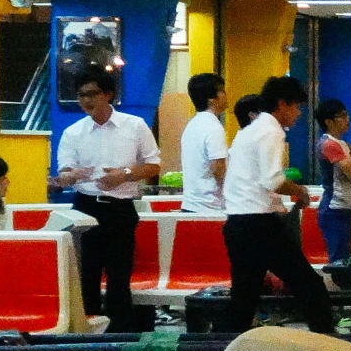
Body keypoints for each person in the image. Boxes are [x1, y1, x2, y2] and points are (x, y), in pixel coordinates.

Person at [220, 75, 333, 334]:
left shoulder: (248, 131)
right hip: (259, 225)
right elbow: (273, 180)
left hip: (237, 223)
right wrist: (300, 191)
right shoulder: (271, 132)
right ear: (282, 104)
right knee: (309, 285)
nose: (298, 114)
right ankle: (327, 344)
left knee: (244, 298)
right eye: (296, 107)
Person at [53, 70, 160, 334]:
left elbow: (154, 164)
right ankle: (88, 341)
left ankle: (120, 339)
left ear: (108, 94)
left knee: (119, 279)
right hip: (85, 209)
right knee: (86, 277)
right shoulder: (73, 132)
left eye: (92, 94)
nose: (86, 100)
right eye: (81, 95)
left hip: (120, 209)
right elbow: (64, 174)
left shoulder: (134, 126)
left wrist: (123, 175)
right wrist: (69, 176)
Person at [313, 98, 351, 264]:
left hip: (345, 207)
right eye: (341, 116)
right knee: (339, 260)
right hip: (334, 208)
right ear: (328, 122)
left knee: (345, 257)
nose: (347, 119)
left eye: (347, 115)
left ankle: (345, 288)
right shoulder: (329, 144)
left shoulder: (342, 144)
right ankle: (338, 289)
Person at [179, 72, 229, 213]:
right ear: (212, 99)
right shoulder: (213, 127)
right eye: (222, 91)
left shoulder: (193, 125)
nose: (226, 95)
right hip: (209, 208)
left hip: (191, 205)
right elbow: (218, 168)